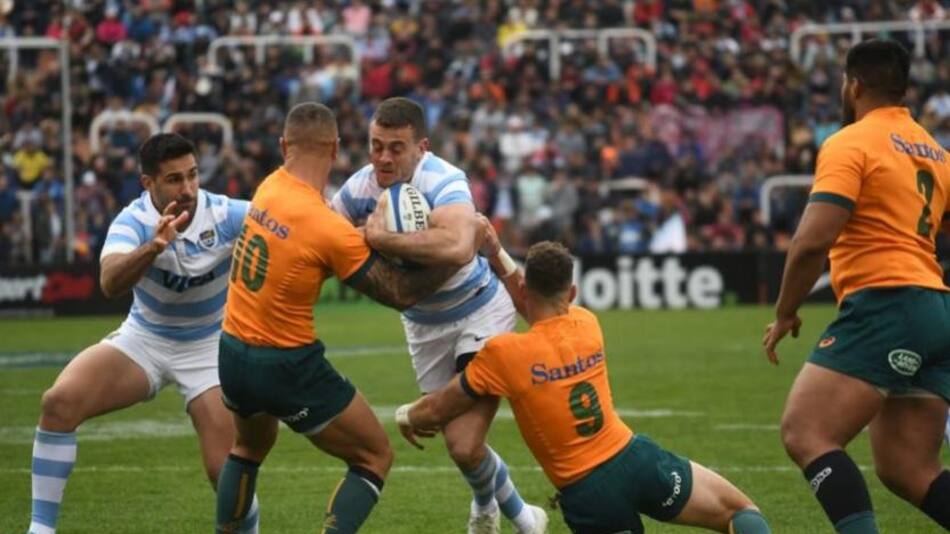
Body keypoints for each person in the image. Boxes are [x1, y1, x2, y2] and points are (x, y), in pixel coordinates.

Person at [396, 241, 772, 534]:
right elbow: (536, 308)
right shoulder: (587, 323)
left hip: (590, 495)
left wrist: (406, 415)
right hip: (635, 459)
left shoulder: (504, 354)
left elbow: (437, 409)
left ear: (525, 288)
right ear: (572, 293)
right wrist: (497, 253)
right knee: (740, 512)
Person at [214, 102, 455, 534]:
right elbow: (400, 294)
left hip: (231, 351)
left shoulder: (268, 187)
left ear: (283, 146)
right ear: (336, 149)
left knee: (248, 448)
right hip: (285, 363)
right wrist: (454, 257)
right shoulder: (326, 226)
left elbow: (305, 247)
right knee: (374, 456)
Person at [332, 96, 546, 534]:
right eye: (376, 146)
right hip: (424, 328)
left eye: (396, 148)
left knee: (464, 445)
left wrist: (379, 238)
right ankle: (493, 505)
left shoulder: (445, 179)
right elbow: (321, 237)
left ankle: (526, 523)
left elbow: (458, 246)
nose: (383, 158)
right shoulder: (356, 190)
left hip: (481, 312)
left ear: (421, 147)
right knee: (464, 448)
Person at [26, 133, 259, 534]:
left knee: (224, 471)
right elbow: (110, 282)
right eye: (174, 179)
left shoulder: (226, 214)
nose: (187, 189)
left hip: (209, 347)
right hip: (145, 338)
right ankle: (40, 530)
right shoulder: (132, 221)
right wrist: (153, 247)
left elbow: (290, 225)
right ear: (148, 183)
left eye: (192, 175)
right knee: (58, 403)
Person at [763, 39, 950, 533]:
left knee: (806, 430)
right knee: (908, 467)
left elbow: (812, 241)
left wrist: (785, 311)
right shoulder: (935, 152)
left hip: (887, 302)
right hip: (934, 308)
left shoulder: (851, 142)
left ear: (854, 85)